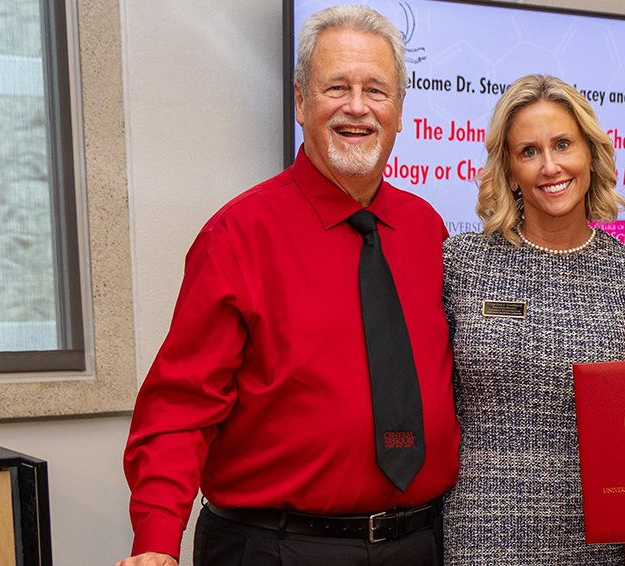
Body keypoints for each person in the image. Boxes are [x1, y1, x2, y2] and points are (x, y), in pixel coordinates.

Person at [119, 7, 456, 566]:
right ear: (300, 103)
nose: (357, 106)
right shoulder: (237, 236)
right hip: (274, 548)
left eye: (377, 90)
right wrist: (156, 542)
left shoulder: (427, 230)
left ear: (399, 111)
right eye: (336, 87)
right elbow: (180, 406)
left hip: (419, 545)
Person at [440, 74, 625, 566]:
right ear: (508, 166)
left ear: (590, 152)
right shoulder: (460, 264)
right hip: (479, 537)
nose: (550, 166)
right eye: (528, 151)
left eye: (563, 144)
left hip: (598, 540)